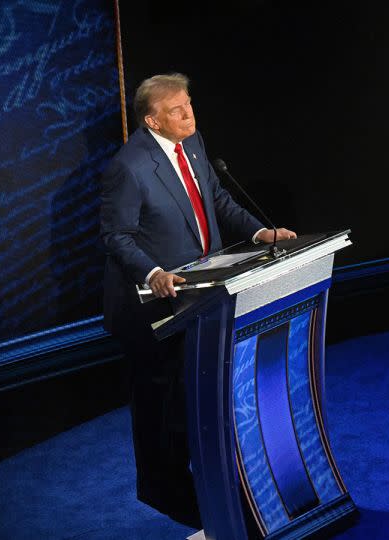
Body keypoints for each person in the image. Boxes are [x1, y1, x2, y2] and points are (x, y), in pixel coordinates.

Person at [100, 73, 296, 527]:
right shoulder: (128, 167)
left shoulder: (194, 143)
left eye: (189, 105)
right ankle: (161, 489)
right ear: (152, 119)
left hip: (199, 296)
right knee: (159, 401)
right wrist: (153, 272)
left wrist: (258, 231)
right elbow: (117, 236)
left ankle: (203, 483)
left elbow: (218, 199)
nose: (189, 114)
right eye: (177, 110)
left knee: (191, 395)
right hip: (150, 305)